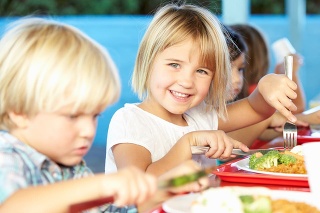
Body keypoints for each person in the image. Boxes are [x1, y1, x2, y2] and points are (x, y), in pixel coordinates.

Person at [0, 17, 209, 213]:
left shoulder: (71, 169)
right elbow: (11, 206)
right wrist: (102, 184)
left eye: (94, 116)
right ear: (19, 112)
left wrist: (160, 190)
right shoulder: (7, 158)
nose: (88, 130)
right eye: (73, 116)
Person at [105, 3, 298, 177]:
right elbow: (139, 184)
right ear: (147, 63)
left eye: (201, 71)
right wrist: (188, 143)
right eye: (174, 65)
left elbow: (256, 109)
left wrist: (266, 87)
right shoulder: (130, 121)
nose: (187, 81)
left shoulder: (200, 115)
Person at [230, 24, 306, 113]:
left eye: (240, 69)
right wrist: (291, 73)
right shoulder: (256, 92)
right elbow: (295, 109)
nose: (236, 80)